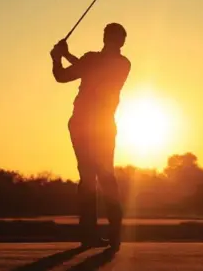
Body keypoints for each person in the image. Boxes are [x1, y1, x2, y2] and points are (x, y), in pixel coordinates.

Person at [50, 23, 131, 251]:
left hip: (84, 124)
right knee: (105, 177)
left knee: (89, 178)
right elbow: (89, 70)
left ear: (104, 38)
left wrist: (57, 58)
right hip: (101, 125)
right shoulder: (121, 63)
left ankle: (89, 236)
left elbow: (62, 75)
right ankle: (113, 236)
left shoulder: (93, 60)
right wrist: (65, 55)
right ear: (122, 42)